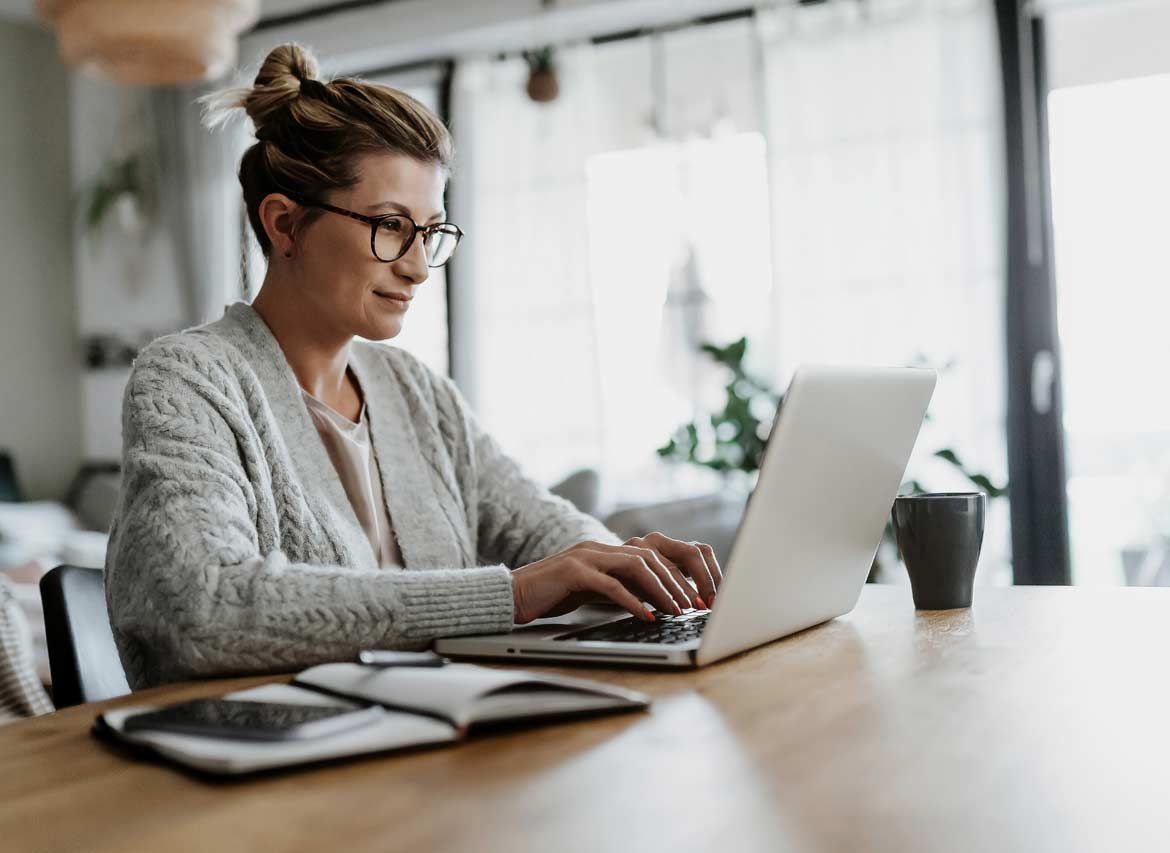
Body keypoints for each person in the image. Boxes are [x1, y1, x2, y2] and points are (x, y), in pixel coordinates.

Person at [105, 43, 721, 690]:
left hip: (430, 748)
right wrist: (509, 595)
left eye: (430, 232)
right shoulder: (188, 379)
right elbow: (204, 607)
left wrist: (626, 568)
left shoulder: (416, 391)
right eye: (391, 226)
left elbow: (542, 529)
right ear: (285, 224)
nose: (419, 266)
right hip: (265, 768)